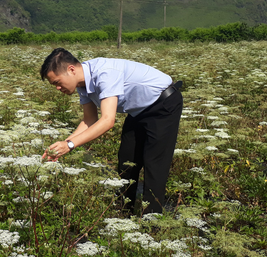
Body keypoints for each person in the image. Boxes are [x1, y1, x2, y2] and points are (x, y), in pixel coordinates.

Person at [40, 48, 182, 214]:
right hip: (138, 111)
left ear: (71, 70)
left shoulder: (104, 73)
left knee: (154, 166)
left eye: (57, 82)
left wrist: (70, 145)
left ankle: (152, 224)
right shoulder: (82, 84)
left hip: (163, 104)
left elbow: (107, 121)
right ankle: (123, 214)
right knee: (127, 161)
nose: (57, 88)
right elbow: (89, 120)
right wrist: (63, 145)